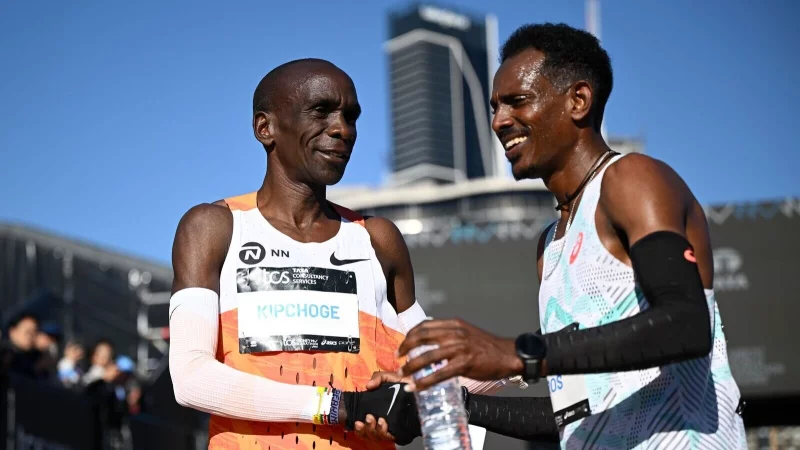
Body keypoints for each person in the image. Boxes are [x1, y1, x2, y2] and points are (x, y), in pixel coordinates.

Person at [380, 23, 747, 449]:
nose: (499, 121)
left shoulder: (631, 179)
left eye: (517, 101)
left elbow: (685, 325)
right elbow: (575, 412)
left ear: (578, 100)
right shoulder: (550, 244)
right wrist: (455, 402)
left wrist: (513, 353)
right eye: (495, 106)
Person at [167, 58, 504, 450]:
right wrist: (335, 405)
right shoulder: (214, 227)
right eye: (321, 111)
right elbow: (191, 378)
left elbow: (435, 378)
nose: (342, 129)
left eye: (351, 116)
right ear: (265, 127)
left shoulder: (377, 241)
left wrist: (529, 359)